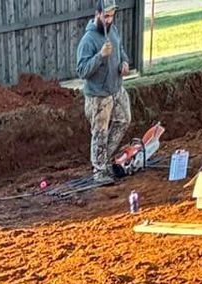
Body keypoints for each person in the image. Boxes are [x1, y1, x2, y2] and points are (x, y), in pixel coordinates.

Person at [76, 3, 134, 183]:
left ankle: (103, 159)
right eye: (106, 16)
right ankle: (99, 171)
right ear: (97, 14)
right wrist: (100, 55)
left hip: (116, 89)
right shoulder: (88, 40)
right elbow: (82, 71)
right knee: (99, 133)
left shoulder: (113, 30)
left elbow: (121, 51)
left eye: (112, 16)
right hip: (98, 96)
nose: (109, 20)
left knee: (124, 120)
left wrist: (124, 63)